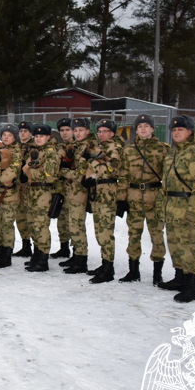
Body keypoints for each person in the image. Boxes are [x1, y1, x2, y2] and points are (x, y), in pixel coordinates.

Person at [156, 115, 195, 303]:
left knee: (187, 246)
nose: (177, 132)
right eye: (174, 130)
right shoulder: (173, 152)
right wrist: (160, 205)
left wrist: (193, 211)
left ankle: (191, 286)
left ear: (190, 131)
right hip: (170, 206)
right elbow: (166, 182)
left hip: (186, 206)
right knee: (173, 244)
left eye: (180, 129)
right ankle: (179, 278)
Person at [116, 114, 169, 284]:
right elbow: (123, 175)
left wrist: (165, 199)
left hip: (155, 198)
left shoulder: (163, 149)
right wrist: (121, 199)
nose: (143, 129)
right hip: (134, 198)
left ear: (153, 128)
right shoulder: (129, 150)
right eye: (140, 126)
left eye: (146, 126)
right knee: (133, 234)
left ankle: (157, 274)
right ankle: (133, 271)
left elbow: (167, 177)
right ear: (136, 130)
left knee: (157, 235)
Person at [83, 119, 123, 284]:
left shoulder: (115, 149)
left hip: (107, 194)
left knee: (106, 232)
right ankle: (104, 263)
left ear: (112, 133)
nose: (101, 134)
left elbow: (108, 171)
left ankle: (109, 269)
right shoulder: (101, 149)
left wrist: (91, 161)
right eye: (99, 131)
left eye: (105, 131)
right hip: (98, 194)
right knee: (100, 231)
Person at [59, 118, 98, 274]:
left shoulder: (89, 148)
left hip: (80, 192)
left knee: (77, 226)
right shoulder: (76, 146)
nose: (77, 133)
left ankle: (81, 260)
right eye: (75, 130)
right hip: (72, 192)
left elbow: (79, 174)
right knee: (72, 225)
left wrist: (63, 171)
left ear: (87, 131)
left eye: (81, 130)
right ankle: (76, 255)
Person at [21, 124, 61, 272]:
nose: (38, 139)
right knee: (32, 225)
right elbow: (26, 170)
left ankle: (43, 259)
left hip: (44, 192)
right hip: (32, 192)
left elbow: (50, 176)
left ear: (48, 137)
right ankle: (37, 255)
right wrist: (34, 169)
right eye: (36, 136)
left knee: (41, 226)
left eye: (41, 136)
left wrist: (32, 169)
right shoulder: (35, 151)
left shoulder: (51, 153)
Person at [0, 123, 22, 268]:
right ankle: (0, 251)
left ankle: (7, 256)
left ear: (14, 137)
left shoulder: (16, 153)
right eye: (4, 135)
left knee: (7, 225)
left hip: (9, 196)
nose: (6, 138)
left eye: (9, 135)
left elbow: (12, 172)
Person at [51, 117, 74, 259]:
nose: (64, 133)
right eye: (62, 130)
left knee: (74, 222)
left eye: (67, 130)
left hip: (74, 190)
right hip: (60, 189)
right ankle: (64, 248)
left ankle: (78, 253)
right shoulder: (58, 147)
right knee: (62, 221)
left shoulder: (77, 147)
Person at [13, 121, 35, 257]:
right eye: (21, 131)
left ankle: (37, 248)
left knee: (31, 218)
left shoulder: (35, 147)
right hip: (17, 187)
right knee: (20, 218)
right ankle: (25, 245)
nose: (23, 133)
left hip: (30, 188)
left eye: (26, 131)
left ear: (31, 133)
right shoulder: (15, 146)